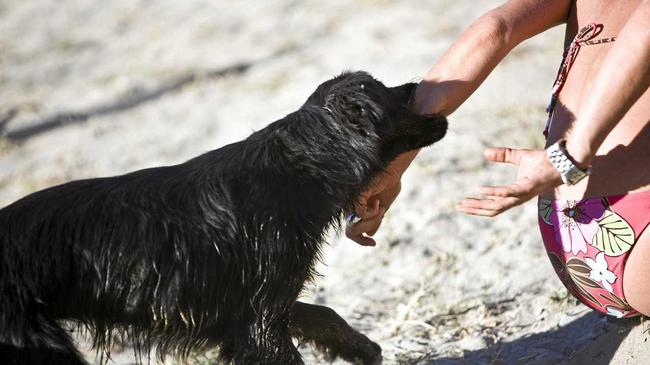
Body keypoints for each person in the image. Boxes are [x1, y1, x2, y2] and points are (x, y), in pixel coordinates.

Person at [346, 0, 650, 318]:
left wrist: (394, 160)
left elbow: (497, 29)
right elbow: (644, 28)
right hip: (635, 226)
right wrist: (569, 157)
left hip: (570, 240)